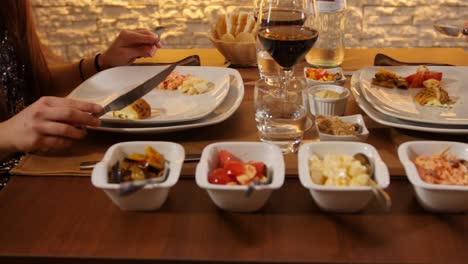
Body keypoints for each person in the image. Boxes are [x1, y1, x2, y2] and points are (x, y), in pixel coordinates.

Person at [0, 0, 162, 160]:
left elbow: (29, 83)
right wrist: (6, 135)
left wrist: (101, 63)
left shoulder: (12, 7)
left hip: (34, 158)